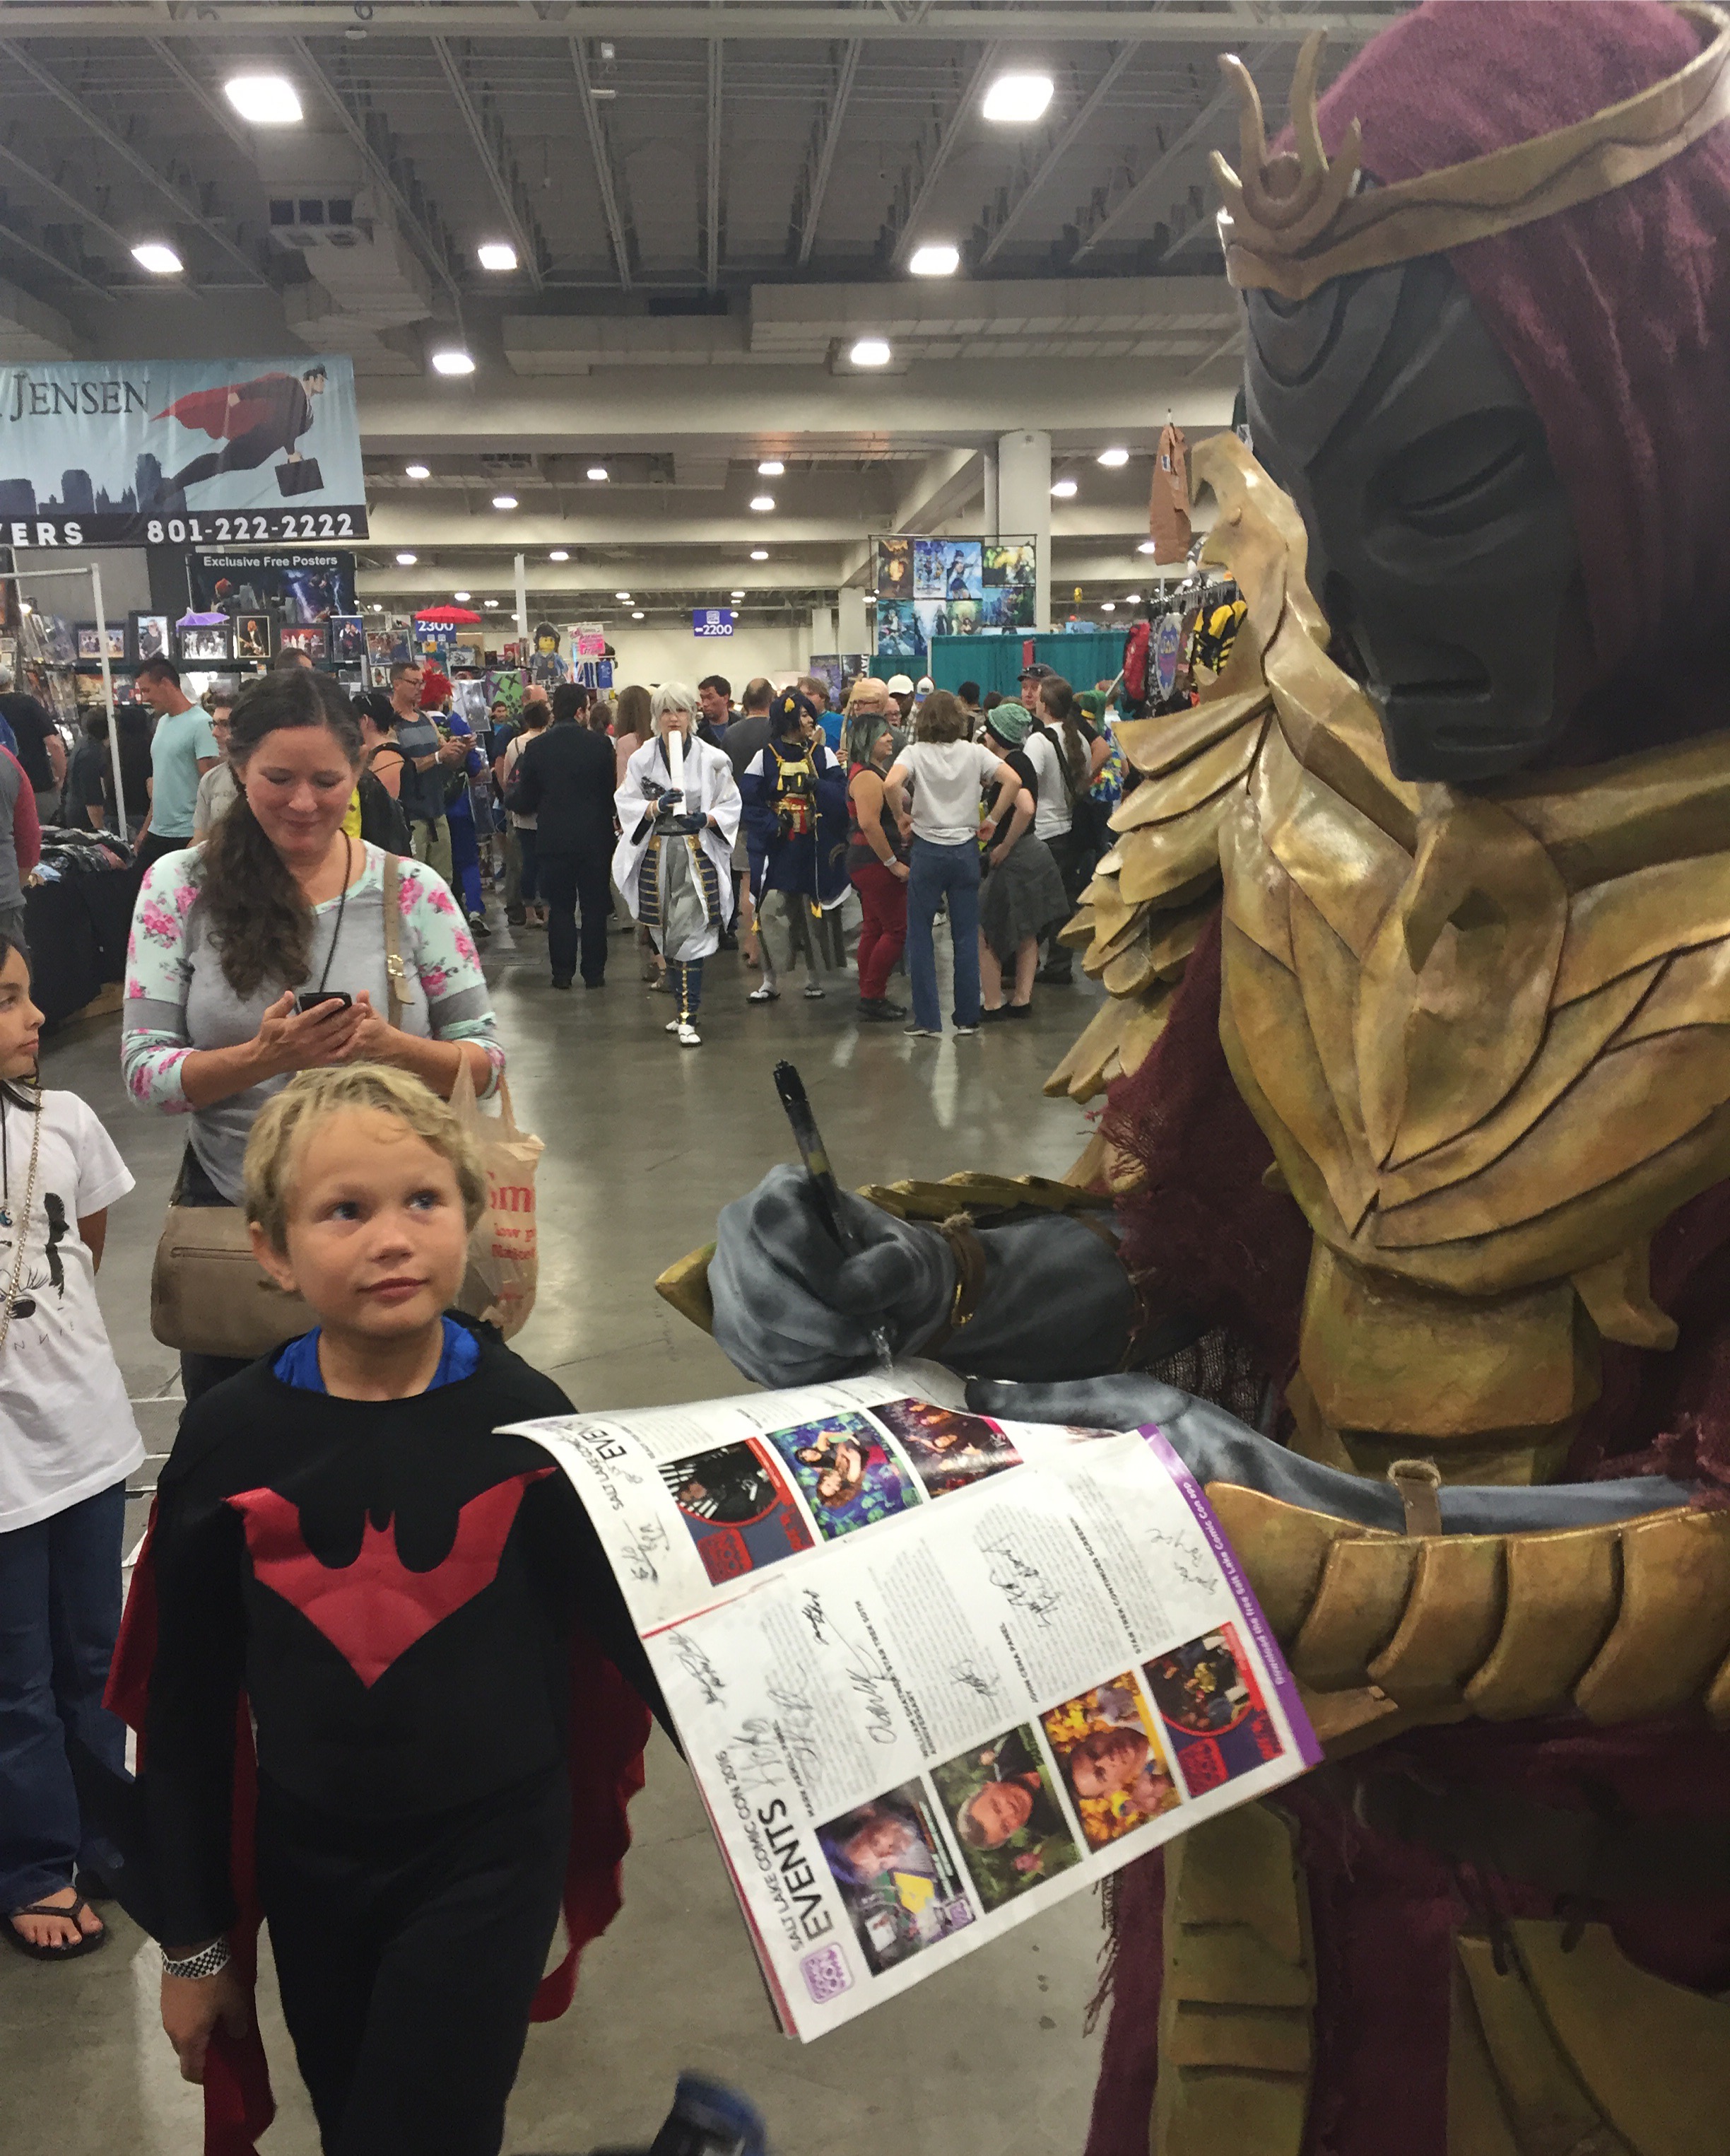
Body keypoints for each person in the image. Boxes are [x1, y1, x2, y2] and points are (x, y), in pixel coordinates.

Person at [705, 11, 1730, 2150]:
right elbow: (1226, 1268)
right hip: (1275, 1902)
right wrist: (951, 1294)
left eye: (1446, 483)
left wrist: (1317, 1543)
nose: (1357, 589)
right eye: (1319, 495)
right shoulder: (1304, 768)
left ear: (1670, 390)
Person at [115, 1063, 664, 2152]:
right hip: (310, 1854)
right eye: (345, 1211)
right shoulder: (232, 1439)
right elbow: (182, 1711)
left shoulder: (525, 1424)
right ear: (272, 1246)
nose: (394, 1238)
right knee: (354, 2117)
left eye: (425, 1200)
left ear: (471, 1214)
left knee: (421, 2132)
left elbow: (642, 1640)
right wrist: (193, 1941)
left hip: (491, 1849)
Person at [122, 667, 504, 1402]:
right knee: (245, 1466)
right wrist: (261, 1059)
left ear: (360, 768)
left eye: (328, 779)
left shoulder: (414, 891)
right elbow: (144, 1073)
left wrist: (394, 1050)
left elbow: (484, 1060)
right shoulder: (180, 887)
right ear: (236, 765)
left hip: (391, 1247)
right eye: (278, 777)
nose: (304, 802)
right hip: (239, 1244)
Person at [0, 934, 143, 1960]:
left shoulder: (69, 1119)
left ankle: (106, 1831)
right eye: (8, 1000)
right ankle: (36, 1857)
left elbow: (83, 1246)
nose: (36, 1015)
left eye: (26, 993)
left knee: (99, 1654)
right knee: (16, 1677)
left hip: (86, 1438)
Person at [881, 690, 1018, 1039]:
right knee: (965, 933)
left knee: (921, 934)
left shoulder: (914, 752)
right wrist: (995, 818)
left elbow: (891, 783)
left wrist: (901, 817)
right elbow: (1013, 781)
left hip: (927, 849)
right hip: (965, 850)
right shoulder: (975, 753)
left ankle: (927, 1019)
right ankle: (967, 1016)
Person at [613, 682, 740, 1048]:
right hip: (656, 854)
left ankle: (689, 1016)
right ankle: (682, 1007)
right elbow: (627, 801)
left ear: (691, 715)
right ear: (656, 716)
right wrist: (654, 808)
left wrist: (707, 819)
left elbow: (731, 803)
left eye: (680, 710)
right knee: (665, 933)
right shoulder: (642, 759)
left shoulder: (712, 757)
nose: (673, 718)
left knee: (694, 936)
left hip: (695, 854)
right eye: (666, 711)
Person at [739, 687, 848, 1005]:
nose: (808, 719)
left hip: (812, 847)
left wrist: (819, 786)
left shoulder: (822, 755)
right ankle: (770, 979)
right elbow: (747, 800)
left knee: (812, 915)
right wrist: (773, 824)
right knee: (770, 910)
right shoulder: (764, 757)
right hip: (777, 849)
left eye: (808, 714)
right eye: (802, 714)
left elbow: (841, 796)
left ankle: (815, 977)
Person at [507, 681, 618, 992]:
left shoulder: (537, 747)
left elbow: (525, 797)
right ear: (582, 710)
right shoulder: (600, 745)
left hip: (554, 839)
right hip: (596, 839)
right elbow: (612, 795)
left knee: (561, 908)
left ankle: (562, 973)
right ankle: (594, 973)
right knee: (595, 908)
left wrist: (511, 798)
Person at [975, 701, 1067, 1021]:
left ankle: (992, 1003)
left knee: (985, 930)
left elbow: (1025, 807)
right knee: (1027, 931)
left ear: (999, 733)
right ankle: (1022, 1000)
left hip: (1013, 855)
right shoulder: (1021, 761)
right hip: (1033, 852)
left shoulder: (1010, 767)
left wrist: (1002, 844)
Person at [1025, 674, 1107, 985]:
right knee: (1062, 902)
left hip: (1045, 831)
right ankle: (1058, 965)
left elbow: (1028, 783)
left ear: (1044, 704)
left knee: (1035, 905)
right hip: (1070, 829)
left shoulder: (1039, 741)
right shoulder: (1079, 740)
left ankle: (1024, 964)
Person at [157, 363, 329, 506]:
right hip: (255, 441)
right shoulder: (292, 386)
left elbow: (288, 428)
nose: (323, 384)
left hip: (261, 452)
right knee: (217, 462)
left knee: (218, 463)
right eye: (321, 379)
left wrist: (293, 453)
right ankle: (172, 486)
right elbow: (266, 391)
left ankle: (173, 485)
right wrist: (241, 395)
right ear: (311, 378)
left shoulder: (309, 411)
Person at [842, 703, 908, 1023]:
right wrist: (893, 862)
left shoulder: (868, 772)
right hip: (874, 861)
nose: (890, 738)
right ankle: (873, 994)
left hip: (866, 860)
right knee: (897, 929)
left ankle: (869, 990)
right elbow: (870, 824)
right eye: (883, 734)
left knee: (875, 927)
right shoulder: (867, 777)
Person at [133, 658, 218, 872]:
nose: (145, 698)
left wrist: (203, 837)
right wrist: (146, 828)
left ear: (165, 684)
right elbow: (161, 780)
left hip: (186, 834)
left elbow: (212, 784)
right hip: (158, 831)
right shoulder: (162, 723)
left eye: (147, 690)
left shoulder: (201, 724)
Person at [423, 669, 490, 939]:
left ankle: (440, 915)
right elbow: (475, 769)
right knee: (467, 860)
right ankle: (474, 910)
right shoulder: (458, 726)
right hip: (459, 806)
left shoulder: (411, 726)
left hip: (426, 809)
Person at [389, 660, 465, 888]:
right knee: (412, 884)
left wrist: (460, 751)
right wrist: (438, 756)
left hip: (437, 811)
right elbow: (399, 768)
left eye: (422, 683)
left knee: (443, 882)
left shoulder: (426, 719)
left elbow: (447, 763)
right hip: (410, 817)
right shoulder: (390, 724)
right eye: (414, 683)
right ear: (397, 684)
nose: (420, 688)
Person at [499, 693, 550, 930]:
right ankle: (549, 911)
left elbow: (506, 777)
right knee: (549, 863)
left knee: (528, 863)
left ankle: (529, 913)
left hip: (523, 815)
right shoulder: (550, 741)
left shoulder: (515, 744)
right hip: (548, 812)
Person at [0, 664, 64, 826]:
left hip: (3, 790)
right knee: (42, 840)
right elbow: (54, 744)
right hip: (35, 785)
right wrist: (62, 778)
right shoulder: (27, 704)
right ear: (10, 681)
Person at [191, 695, 240, 841]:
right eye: (214, 724)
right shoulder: (211, 780)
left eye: (224, 725)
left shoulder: (269, 779)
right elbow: (200, 840)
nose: (215, 733)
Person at [696, 675, 735, 744]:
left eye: (710, 698)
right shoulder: (697, 732)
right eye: (702, 698)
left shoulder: (743, 728)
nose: (704, 704)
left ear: (725, 698)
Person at [884, 674, 917, 739]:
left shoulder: (920, 720)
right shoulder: (882, 718)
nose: (898, 701)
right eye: (894, 697)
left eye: (902, 697)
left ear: (912, 696)